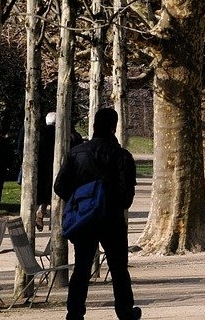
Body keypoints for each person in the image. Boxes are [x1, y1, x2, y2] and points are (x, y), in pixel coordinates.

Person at [53, 108, 140, 320]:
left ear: (93, 126)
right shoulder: (122, 156)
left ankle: (75, 311)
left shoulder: (77, 153)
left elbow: (60, 186)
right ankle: (125, 310)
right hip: (111, 218)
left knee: (81, 267)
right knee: (118, 267)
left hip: (84, 217)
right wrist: (112, 201)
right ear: (114, 127)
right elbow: (127, 194)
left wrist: (80, 199)